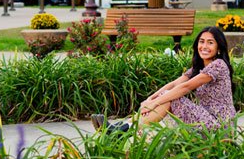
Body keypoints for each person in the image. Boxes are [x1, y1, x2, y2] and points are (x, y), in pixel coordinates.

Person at [91, 27, 235, 133]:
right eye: (202, 42)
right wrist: (149, 99)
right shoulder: (199, 67)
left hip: (220, 125)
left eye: (210, 43)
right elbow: (174, 84)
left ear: (219, 48)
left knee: (172, 98)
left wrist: (154, 103)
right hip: (205, 118)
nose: (204, 46)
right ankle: (122, 127)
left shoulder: (218, 65)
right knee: (167, 94)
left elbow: (185, 88)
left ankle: (122, 130)